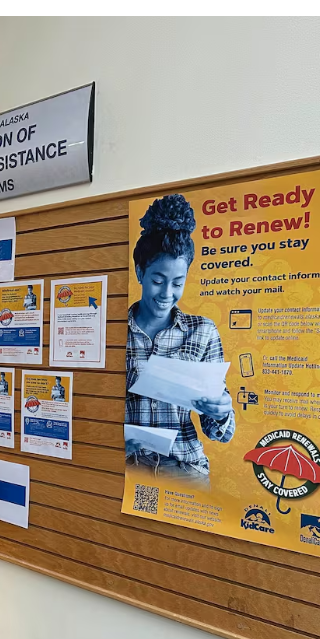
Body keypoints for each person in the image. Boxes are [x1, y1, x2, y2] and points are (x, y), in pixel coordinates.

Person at [125, 194, 235, 486]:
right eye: (158, 281)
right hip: (126, 465)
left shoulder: (203, 331)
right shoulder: (114, 332)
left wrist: (221, 412)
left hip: (184, 469)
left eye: (178, 283)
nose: (166, 294)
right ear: (140, 272)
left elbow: (218, 431)